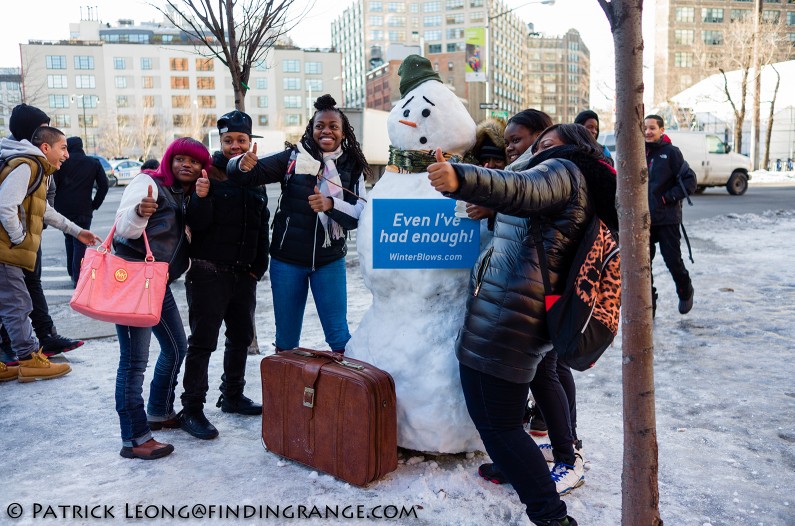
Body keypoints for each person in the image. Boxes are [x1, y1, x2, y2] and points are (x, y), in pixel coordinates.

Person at [426, 123, 617, 526]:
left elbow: (520, 189)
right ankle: (517, 466)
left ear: (576, 148)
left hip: (506, 321)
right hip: (512, 313)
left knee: (500, 427)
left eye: (545, 144)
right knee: (505, 422)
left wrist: (461, 178)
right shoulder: (572, 177)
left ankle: (551, 516)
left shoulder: (564, 170)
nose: (535, 151)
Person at [228, 94, 370, 354]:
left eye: (333, 126)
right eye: (320, 126)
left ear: (343, 132)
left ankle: (341, 394)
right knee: (287, 340)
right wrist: (240, 164)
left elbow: (361, 213)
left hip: (329, 261)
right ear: (311, 129)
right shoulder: (293, 157)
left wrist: (331, 204)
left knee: (339, 337)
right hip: (287, 261)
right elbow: (247, 176)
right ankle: (285, 393)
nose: (326, 131)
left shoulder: (353, 165)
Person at [112, 137, 210, 459]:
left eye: (193, 161)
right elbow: (123, 227)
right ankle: (135, 438)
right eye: (180, 158)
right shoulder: (148, 182)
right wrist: (140, 213)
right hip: (133, 279)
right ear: (169, 160)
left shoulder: (188, 195)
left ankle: (158, 409)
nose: (186, 165)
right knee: (134, 361)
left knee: (176, 346)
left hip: (158, 281)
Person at [178, 111, 270, 440]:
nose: (235, 145)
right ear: (220, 142)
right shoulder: (210, 172)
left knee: (241, 337)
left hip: (243, 275)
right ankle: (191, 408)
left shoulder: (256, 177)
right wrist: (201, 196)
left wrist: (259, 266)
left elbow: (262, 226)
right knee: (203, 342)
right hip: (208, 273)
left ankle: (232, 395)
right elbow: (197, 224)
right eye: (229, 140)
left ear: (250, 142)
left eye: (240, 140)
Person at [0, 123, 101, 383]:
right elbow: (5, 206)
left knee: (10, 303)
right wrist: (19, 238)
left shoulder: (35, 168)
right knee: (18, 303)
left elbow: (43, 210)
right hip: (5, 250)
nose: (67, 155)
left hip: (6, 249)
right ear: (46, 147)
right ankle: (29, 359)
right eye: (63, 148)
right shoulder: (29, 165)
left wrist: (77, 231)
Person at [644, 114, 696, 315]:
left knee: (672, 260)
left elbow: (690, 181)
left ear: (661, 130)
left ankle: (685, 289)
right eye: (645, 128)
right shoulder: (637, 152)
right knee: (642, 267)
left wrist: (667, 198)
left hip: (667, 219)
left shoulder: (671, 153)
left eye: (652, 128)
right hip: (643, 221)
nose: (648, 132)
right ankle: (649, 304)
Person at [53, 136, 108, 286]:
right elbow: (104, 185)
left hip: (63, 209)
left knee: (69, 238)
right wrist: (94, 204)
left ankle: (72, 272)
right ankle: (78, 276)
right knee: (80, 241)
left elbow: (53, 186)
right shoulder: (93, 163)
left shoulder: (62, 163)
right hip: (84, 208)